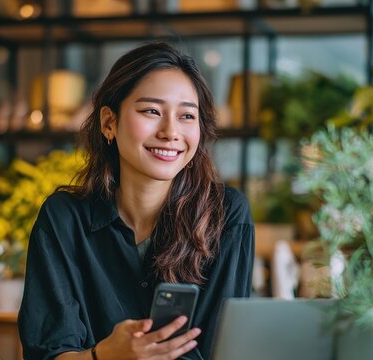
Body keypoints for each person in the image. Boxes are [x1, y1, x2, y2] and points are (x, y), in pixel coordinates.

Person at [18, 41, 254, 360]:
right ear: (108, 123)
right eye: (151, 111)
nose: (171, 131)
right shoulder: (64, 219)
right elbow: (48, 353)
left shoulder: (226, 215)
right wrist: (105, 356)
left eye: (187, 115)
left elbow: (224, 351)